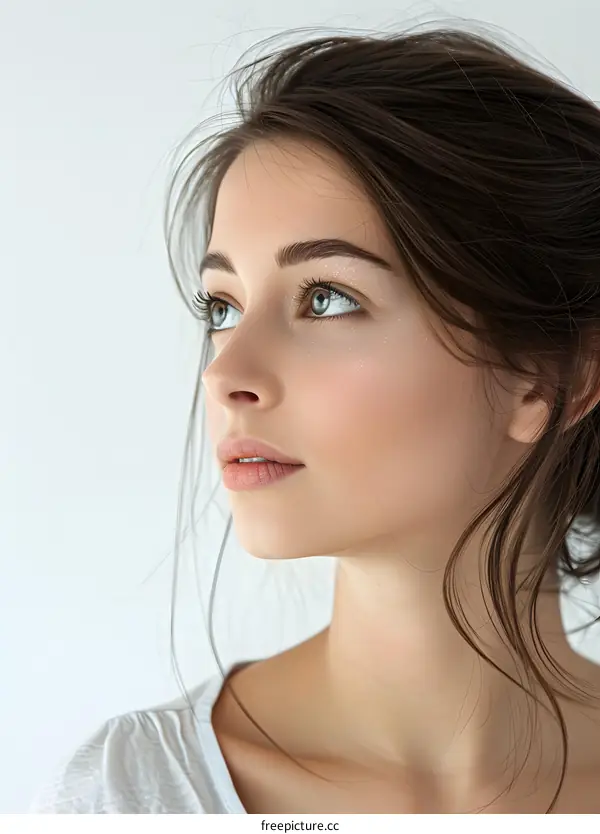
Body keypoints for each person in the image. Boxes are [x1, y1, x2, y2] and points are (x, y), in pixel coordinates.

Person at [31, 26, 600, 814]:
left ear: (545, 380)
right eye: (222, 307)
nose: (225, 375)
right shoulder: (132, 797)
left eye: (326, 298)